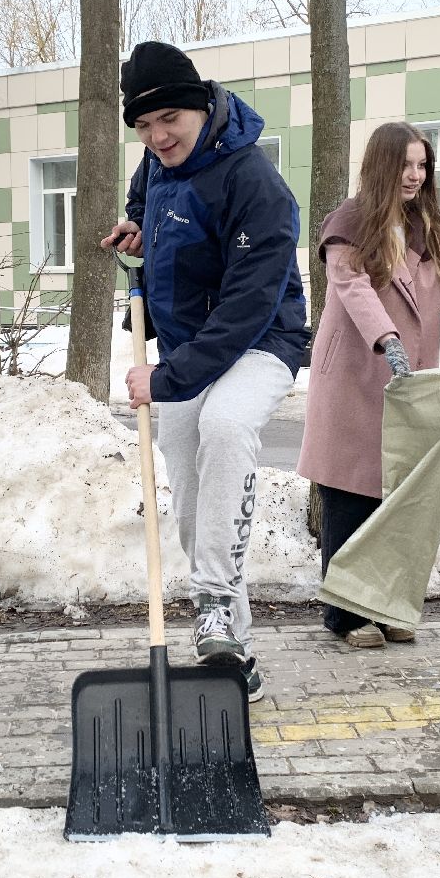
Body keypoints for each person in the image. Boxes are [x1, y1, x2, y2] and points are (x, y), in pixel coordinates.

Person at [100, 41, 309, 702]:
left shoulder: (255, 184)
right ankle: (232, 647)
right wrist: (135, 226)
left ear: (200, 107)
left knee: (225, 426)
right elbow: (147, 198)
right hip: (192, 345)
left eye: (169, 121)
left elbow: (249, 304)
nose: (158, 136)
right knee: (194, 502)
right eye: (143, 125)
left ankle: (213, 600)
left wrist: (166, 378)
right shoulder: (158, 164)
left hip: (260, 341)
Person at [297, 122, 440, 648]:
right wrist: (386, 339)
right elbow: (350, 285)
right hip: (355, 377)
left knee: (397, 497)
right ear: (382, 166)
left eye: (423, 165)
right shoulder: (350, 220)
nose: (415, 176)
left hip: (408, 384)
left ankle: (384, 602)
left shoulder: (430, 226)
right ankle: (344, 614)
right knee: (350, 495)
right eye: (406, 165)